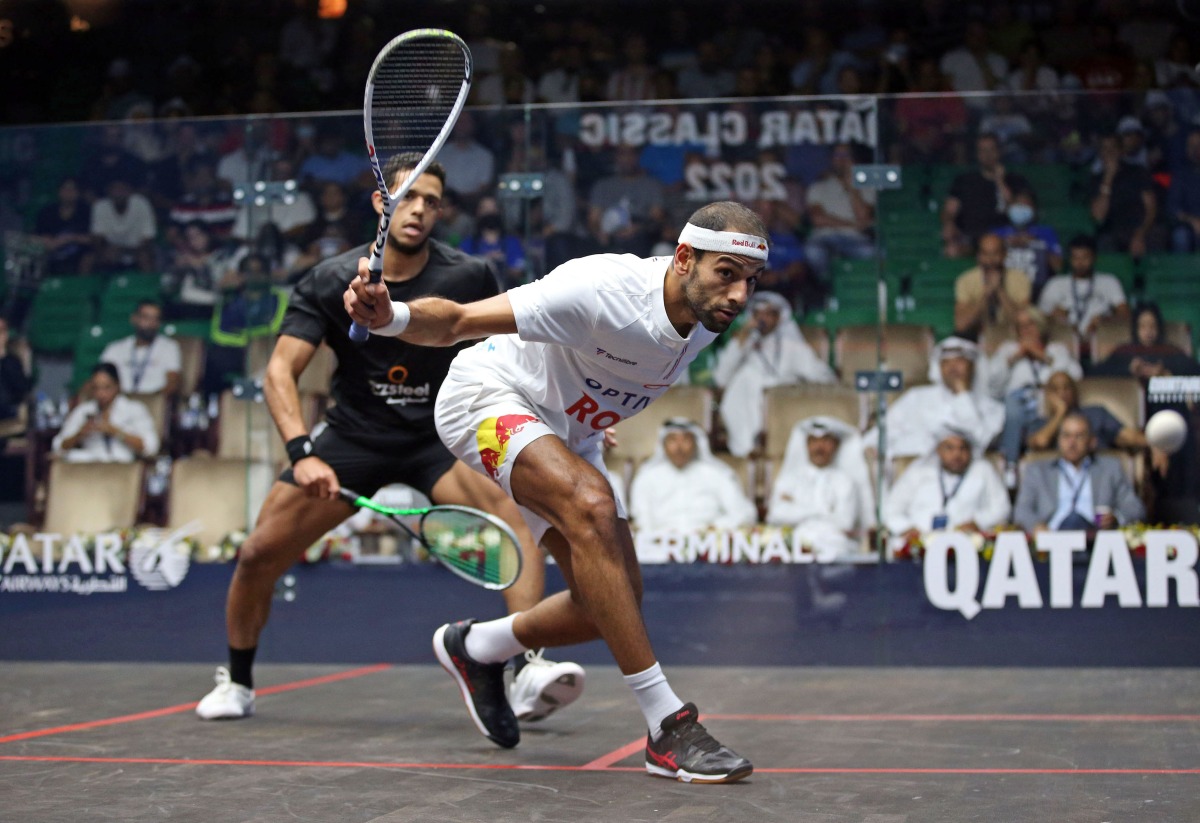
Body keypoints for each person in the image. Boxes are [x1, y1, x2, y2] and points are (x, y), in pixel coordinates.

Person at [345, 199, 767, 783]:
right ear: (684, 258)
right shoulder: (602, 289)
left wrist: (587, 415)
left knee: (611, 605)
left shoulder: (704, 320)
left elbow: (601, 372)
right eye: (727, 275)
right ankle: (667, 726)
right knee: (590, 503)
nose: (740, 296)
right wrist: (388, 316)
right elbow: (458, 322)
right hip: (484, 399)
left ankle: (479, 647)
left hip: (566, 431)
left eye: (750, 281)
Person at [195, 154, 585, 729]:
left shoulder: (468, 275)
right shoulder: (330, 280)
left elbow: (513, 353)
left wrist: (568, 418)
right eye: (409, 197)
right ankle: (238, 680)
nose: (421, 209)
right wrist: (302, 455)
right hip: (354, 437)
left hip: (440, 434)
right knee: (257, 555)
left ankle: (528, 668)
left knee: (512, 519)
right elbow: (280, 373)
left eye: (432, 201)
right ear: (382, 203)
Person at [712, 291, 836, 458]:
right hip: (747, 405)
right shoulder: (744, 344)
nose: (763, 319)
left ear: (779, 317)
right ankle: (748, 448)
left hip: (783, 405)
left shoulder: (793, 346)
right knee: (747, 376)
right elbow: (721, 378)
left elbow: (824, 378)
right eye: (758, 314)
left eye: (769, 314)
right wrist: (742, 339)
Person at [864, 336, 1005, 463]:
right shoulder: (916, 397)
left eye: (960, 361)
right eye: (946, 363)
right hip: (913, 471)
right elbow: (882, 433)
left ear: (973, 366)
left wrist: (962, 397)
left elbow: (980, 443)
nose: (953, 368)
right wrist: (875, 447)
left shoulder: (992, 407)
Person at [882, 423, 1011, 551]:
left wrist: (977, 522)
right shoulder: (919, 470)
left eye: (963, 448)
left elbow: (1002, 508)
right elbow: (890, 509)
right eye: (950, 448)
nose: (957, 455)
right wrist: (907, 528)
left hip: (967, 548)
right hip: (918, 546)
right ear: (938, 449)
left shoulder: (982, 470)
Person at [1012, 411, 1145, 532]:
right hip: (1053, 539)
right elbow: (1022, 511)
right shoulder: (1038, 471)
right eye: (1066, 436)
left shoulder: (1110, 468)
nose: (1072, 442)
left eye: (1079, 436)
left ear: (1092, 442)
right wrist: (1036, 526)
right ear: (1058, 440)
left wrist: (1116, 518)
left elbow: (1135, 508)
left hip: (1095, 539)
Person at [765, 415, 871, 561]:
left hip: (835, 548)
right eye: (814, 441)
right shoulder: (788, 479)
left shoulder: (845, 482)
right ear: (807, 445)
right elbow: (776, 515)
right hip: (793, 549)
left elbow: (845, 522)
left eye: (826, 441)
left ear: (836, 445)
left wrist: (796, 507)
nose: (819, 447)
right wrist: (822, 511)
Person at [988, 307, 1082, 471]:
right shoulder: (1008, 349)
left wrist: (1042, 356)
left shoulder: (1056, 350)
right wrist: (1014, 358)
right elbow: (991, 384)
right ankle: (1011, 465)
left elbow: (1075, 376)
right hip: (1014, 403)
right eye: (1021, 326)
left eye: (1030, 324)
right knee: (1013, 406)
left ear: (1040, 326)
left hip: (1045, 403)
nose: (1025, 330)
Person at [627, 418, 757, 534]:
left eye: (685, 440)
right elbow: (642, 520)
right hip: (660, 547)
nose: (679, 447)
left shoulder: (717, 474)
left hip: (707, 545)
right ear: (663, 445)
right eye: (672, 440)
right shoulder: (647, 477)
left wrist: (714, 528)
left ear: (696, 444)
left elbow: (744, 513)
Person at [940, 134, 1029, 258]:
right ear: (977, 154)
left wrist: (1000, 182)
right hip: (971, 236)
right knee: (951, 251)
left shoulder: (1015, 180)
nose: (988, 155)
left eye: (991, 149)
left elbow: (1020, 214)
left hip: (1005, 238)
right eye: (983, 150)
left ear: (999, 152)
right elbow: (949, 210)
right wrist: (949, 224)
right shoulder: (964, 180)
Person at [52, 362, 159, 463]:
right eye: (96, 388)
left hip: (124, 467)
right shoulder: (84, 410)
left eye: (106, 388)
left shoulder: (134, 409)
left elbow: (151, 447)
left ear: (117, 386)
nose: (101, 394)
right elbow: (58, 446)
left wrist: (115, 431)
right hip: (88, 467)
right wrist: (79, 434)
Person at [802, 142, 876, 285]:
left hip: (855, 239)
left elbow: (864, 217)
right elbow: (818, 219)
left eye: (846, 155)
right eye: (838, 155)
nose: (842, 160)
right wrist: (852, 224)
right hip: (825, 238)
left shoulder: (868, 187)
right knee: (812, 251)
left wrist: (852, 188)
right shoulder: (819, 186)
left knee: (872, 253)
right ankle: (828, 289)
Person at [1036, 234, 1128, 344]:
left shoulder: (1109, 281)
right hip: (1064, 338)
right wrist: (1054, 318)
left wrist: (1105, 321)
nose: (1080, 263)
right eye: (1075, 258)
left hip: (1100, 337)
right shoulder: (1055, 283)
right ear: (1070, 259)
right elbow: (1039, 319)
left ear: (1094, 258)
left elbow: (1125, 314)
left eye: (1085, 257)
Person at [953, 232, 1032, 341]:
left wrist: (1000, 290)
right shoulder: (966, 280)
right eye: (985, 254)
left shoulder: (1020, 279)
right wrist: (986, 294)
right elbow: (961, 325)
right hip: (977, 338)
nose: (990, 259)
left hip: (1012, 338)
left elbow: (1023, 322)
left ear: (1004, 254)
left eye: (995, 254)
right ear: (978, 256)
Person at [98, 300, 182, 397]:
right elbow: (99, 378)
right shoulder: (115, 349)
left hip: (153, 402)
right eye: (146, 318)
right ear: (134, 319)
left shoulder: (169, 347)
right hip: (118, 403)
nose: (151, 323)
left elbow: (173, 382)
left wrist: (152, 400)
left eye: (155, 319)